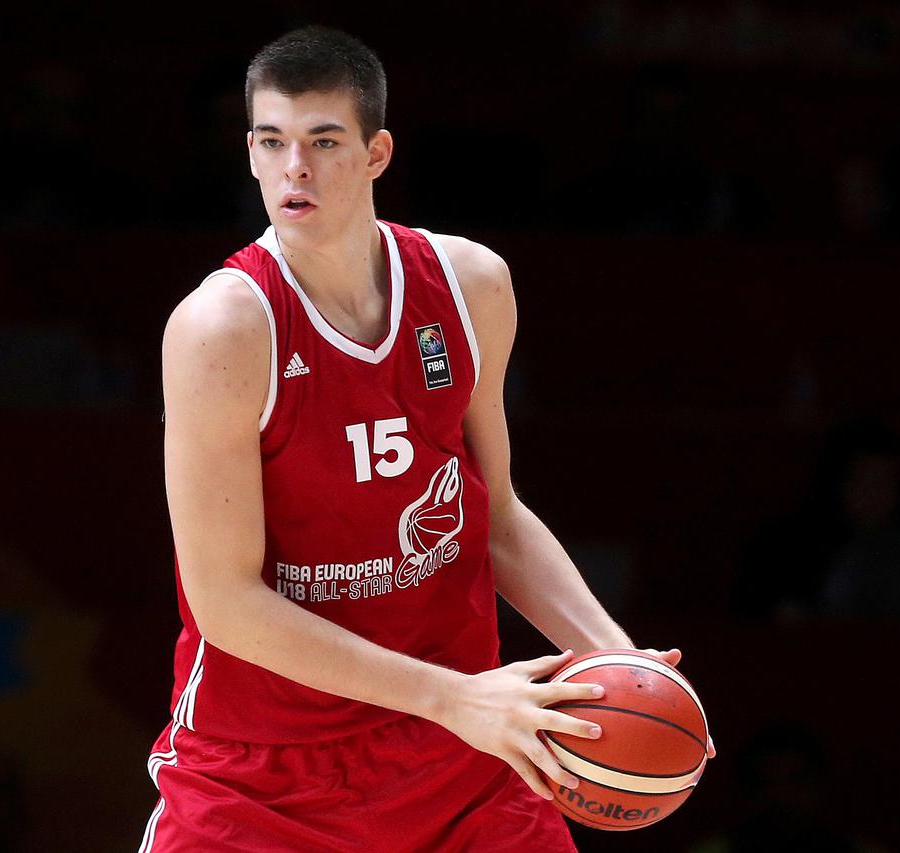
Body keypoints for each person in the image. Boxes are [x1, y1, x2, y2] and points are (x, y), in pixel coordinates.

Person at [138, 26, 712, 852]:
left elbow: (500, 517)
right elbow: (227, 603)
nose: (294, 167)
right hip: (267, 775)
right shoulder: (222, 329)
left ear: (376, 153)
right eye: (272, 141)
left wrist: (626, 667)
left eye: (323, 141)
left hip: (465, 759)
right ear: (252, 153)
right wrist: (454, 696)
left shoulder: (471, 285)